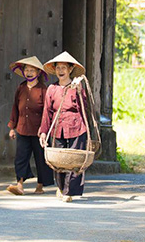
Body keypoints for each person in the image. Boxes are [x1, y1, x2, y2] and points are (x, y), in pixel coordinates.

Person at [39, 51, 89, 202]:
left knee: (75, 160)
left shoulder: (77, 87)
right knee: (58, 160)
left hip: (76, 126)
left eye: (64, 68)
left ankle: (69, 192)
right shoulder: (51, 89)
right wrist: (43, 132)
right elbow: (47, 111)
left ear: (70, 69)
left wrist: (80, 92)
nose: (61, 70)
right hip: (57, 127)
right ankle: (61, 188)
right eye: (58, 68)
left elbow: (84, 108)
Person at [6, 56, 55, 196]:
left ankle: (40, 185)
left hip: (39, 130)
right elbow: (15, 107)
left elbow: (47, 110)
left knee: (40, 158)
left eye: (32, 70)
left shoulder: (43, 89)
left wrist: (45, 129)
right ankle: (19, 185)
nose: (29, 72)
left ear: (38, 73)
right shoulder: (21, 88)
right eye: (26, 70)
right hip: (22, 128)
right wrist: (12, 127)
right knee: (20, 157)